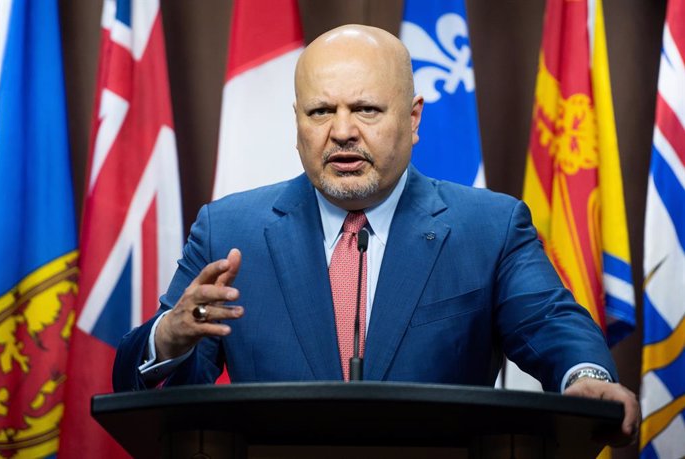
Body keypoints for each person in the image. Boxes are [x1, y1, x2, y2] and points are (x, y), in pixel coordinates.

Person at [112, 24, 639, 445]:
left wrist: (584, 376)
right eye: (321, 111)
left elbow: (552, 323)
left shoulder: (490, 227)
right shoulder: (229, 230)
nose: (342, 131)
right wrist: (167, 337)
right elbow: (150, 375)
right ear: (297, 124)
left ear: (412, 120)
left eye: (365, 109)